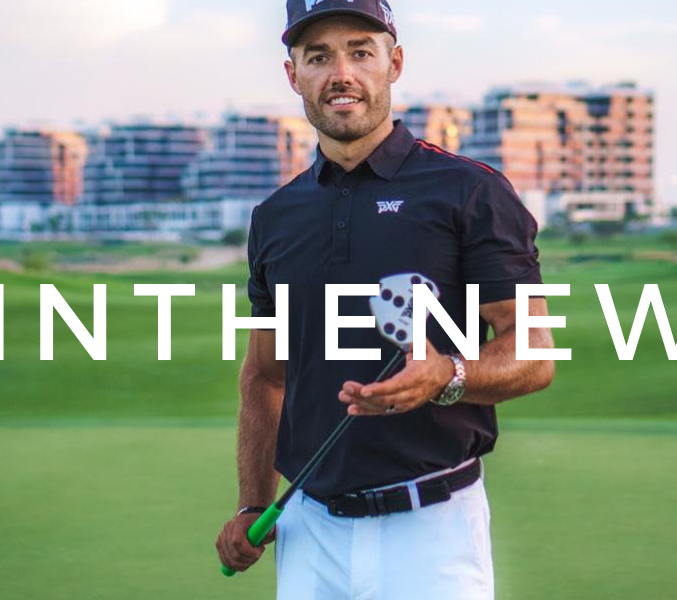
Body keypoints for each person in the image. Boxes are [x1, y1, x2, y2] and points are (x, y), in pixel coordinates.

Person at [215, 1, 557, 597]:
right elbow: (266, 376)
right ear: (293, 76)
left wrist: (445, 376)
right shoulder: (275, 217)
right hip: (308, 533)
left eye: (361, 52)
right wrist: (251, 506)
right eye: (318, 56)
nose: (341, 73)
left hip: (433, 528)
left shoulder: (470, 191)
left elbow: (534, 353)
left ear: (393, 63)